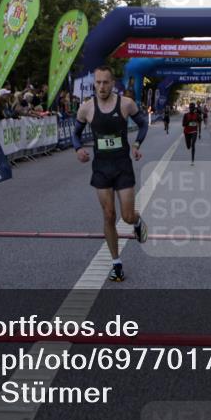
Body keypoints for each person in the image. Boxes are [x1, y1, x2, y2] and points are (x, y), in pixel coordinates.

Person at [72, 66, 149, 282]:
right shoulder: (86, 108)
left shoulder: (125, 103)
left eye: (105, 82)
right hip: (101, 168)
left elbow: (143, 124)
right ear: (94, 83)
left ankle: (136, 222)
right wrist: (78, 149)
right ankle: (116, 264)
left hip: (122, 165)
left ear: (112, 84)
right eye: (98, 82)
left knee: (126, 215)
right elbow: (75, 134)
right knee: (108, 215)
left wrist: (136, 144)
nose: (101, 86)